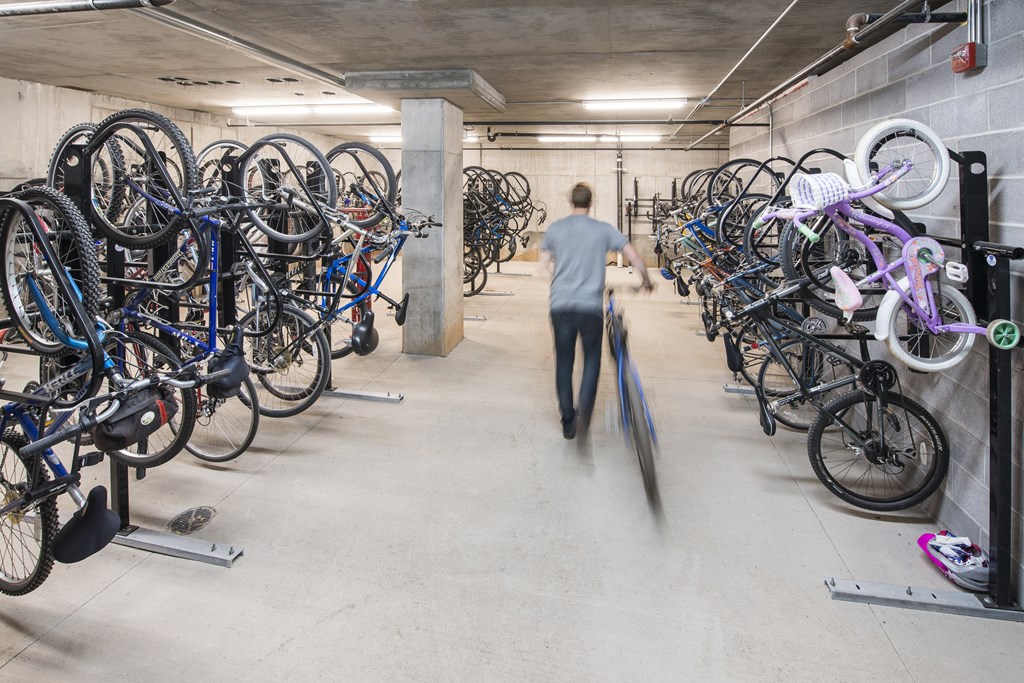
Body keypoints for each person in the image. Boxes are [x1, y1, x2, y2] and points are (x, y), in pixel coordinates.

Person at [539, 182, 653, 441]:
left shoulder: (556, 229)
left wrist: (560, 284)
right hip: (590, 307)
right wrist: (645, 280)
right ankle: (585, 419)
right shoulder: (603, 229)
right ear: (591, 203)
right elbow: (634, 257)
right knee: (592, 360)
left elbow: (543, 268)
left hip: (560, 306)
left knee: (564, 364)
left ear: (571, 202)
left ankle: (568, 422)